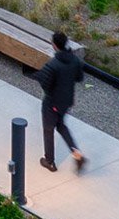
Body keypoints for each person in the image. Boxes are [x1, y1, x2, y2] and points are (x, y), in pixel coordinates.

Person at [34, 29, 87, 173]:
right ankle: (77, 154)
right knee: (61, 126)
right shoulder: (75, 60)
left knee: (48, 130)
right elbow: (79, 78)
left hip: (52, 103)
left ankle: (49, 161)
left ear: (54, 45)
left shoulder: (53, 64)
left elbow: (44, 82)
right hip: (66, 101)